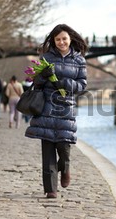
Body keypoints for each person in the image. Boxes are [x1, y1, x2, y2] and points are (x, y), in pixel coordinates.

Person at [25, 24, 88, 199]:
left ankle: (66, 167)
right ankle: (50, 189)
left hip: (65, 107)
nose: (61, 42)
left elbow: (82, 85)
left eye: (64, 39)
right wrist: (42, 76)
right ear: (54, 41)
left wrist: (64, 83)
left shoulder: (79, 60)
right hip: (46, 106)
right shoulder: (46, 57)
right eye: (58, 39)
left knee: (63, 145)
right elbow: (35, 83)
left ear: (70, 39)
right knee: (47, 148)